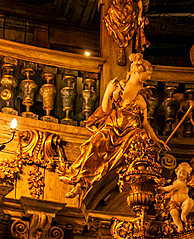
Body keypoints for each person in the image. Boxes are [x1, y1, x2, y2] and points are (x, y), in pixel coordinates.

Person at [62, 54, 165, 199]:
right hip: (112, 128)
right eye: (147, 75)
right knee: (96, 142)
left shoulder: (143, 95)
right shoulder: (120, 88)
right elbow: (105, 109)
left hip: (131, 132)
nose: (149, 78)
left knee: (140, 139)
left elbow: (145, 123)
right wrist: (107, 92)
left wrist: (156, 139)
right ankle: (81, 182)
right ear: (137, 72)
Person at [161, 162, 194, 231]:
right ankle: (179, 225)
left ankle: (184, 213)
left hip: (183, 203)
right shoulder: (175, 182)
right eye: (180, 173)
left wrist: (163, 189)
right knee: (173, 213)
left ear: (187, 176)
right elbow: (173, 191)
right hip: (174, 203)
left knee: (190, 201)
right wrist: (168, 195)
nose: (181, 175)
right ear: (176, 172)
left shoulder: (182, 183)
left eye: (184, 174)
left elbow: (172, 188)